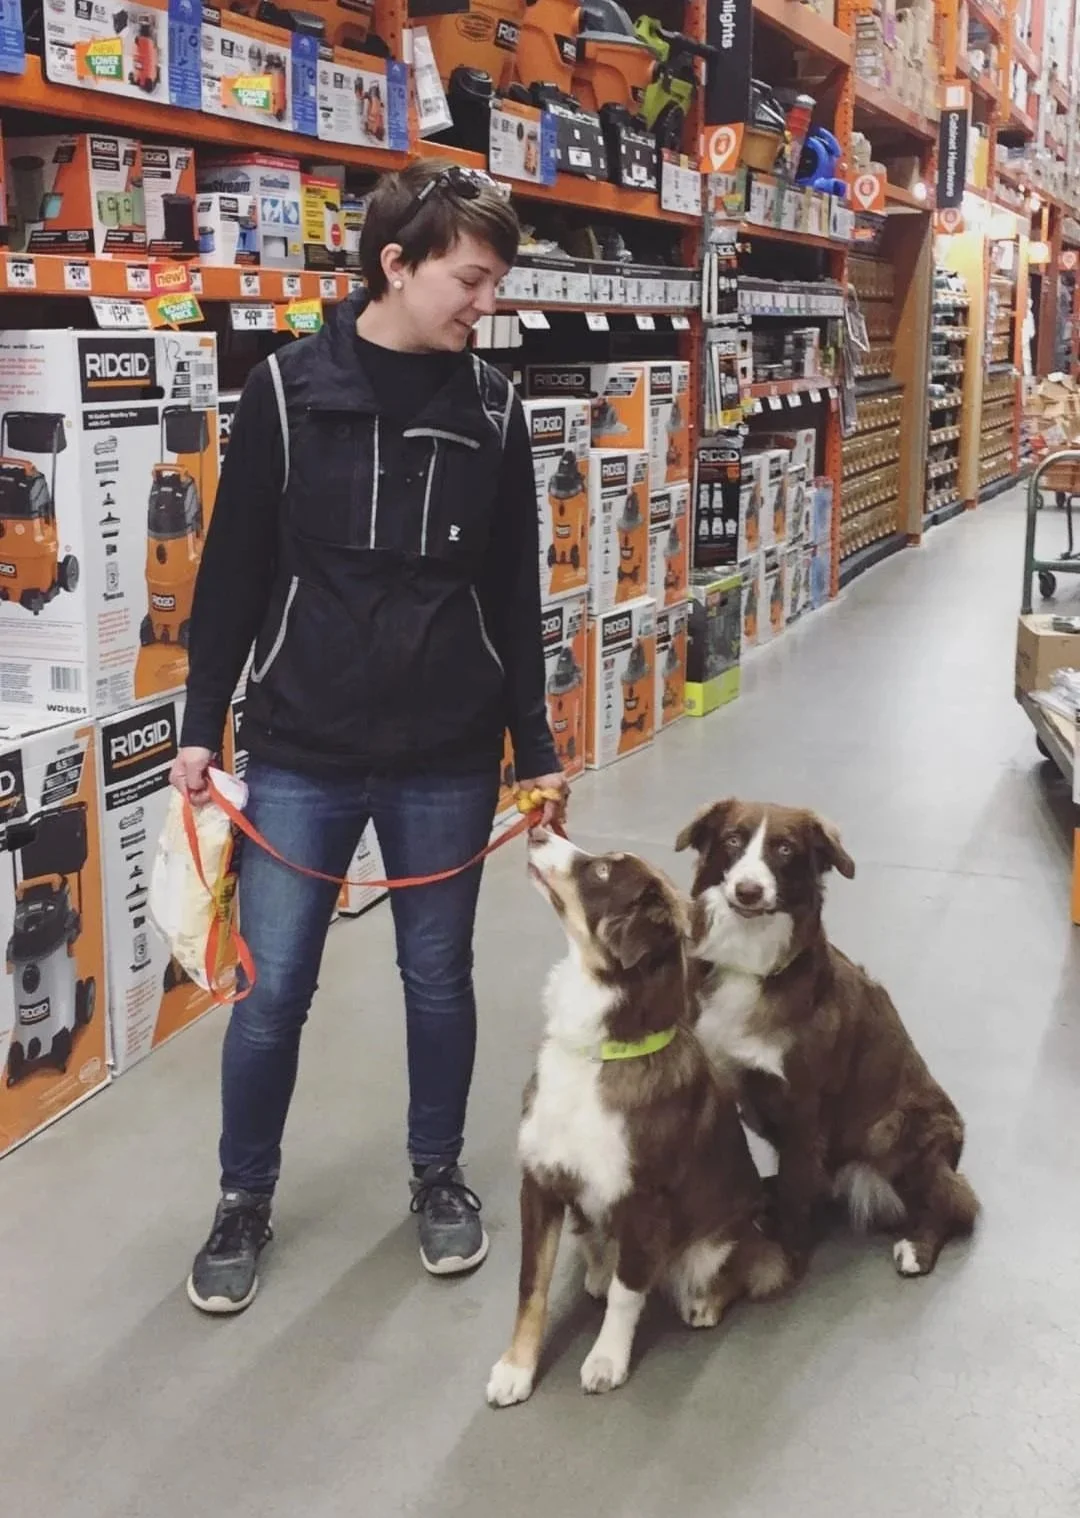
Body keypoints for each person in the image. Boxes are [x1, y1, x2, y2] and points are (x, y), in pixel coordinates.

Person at [170, 160, 566, 1315]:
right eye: (469, 277)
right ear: (396, 264)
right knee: (274, 987)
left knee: (438, 979)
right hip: (302, 743)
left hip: (447, 745)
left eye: (494, 282)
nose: (483, 302)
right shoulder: (288, 392)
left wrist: (533, 748)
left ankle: (438, 1179)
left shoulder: (494, 408)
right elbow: (235, 568)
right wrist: (204, 724)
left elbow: (513, 588)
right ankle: (244, 1199)